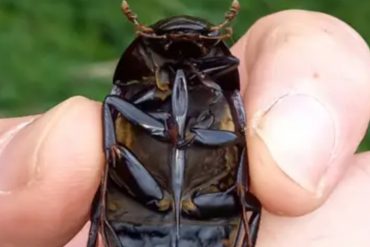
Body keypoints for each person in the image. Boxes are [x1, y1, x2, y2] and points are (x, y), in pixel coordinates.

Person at [0, 10, 369, 247]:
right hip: (149, 217)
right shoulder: (127, 102)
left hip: (178, 219)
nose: (180, 67)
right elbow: (114, 106)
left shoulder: (223, 99)